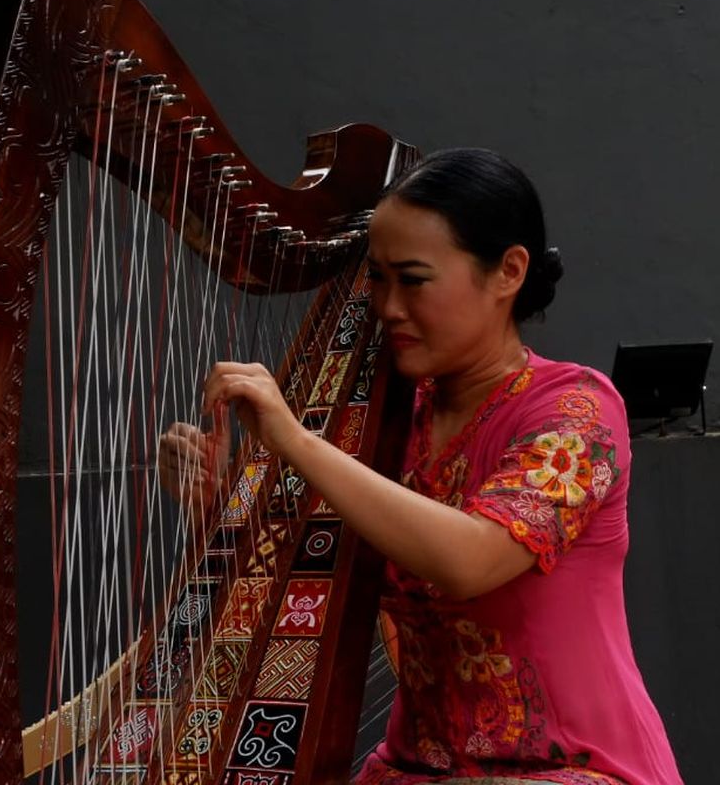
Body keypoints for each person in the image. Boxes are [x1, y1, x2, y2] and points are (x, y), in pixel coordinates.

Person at [160, 149, 683, 784]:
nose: (388, 307)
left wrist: (295, 443)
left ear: (508, 271)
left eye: (414, 279)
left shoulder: (578, 410)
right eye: (377, 279)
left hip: (570, 769)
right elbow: (302, 576)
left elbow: (468, 562)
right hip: (414, 770)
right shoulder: (379, 422)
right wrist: (217, 503)